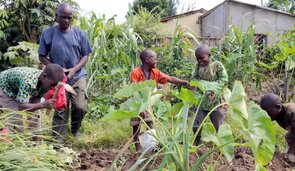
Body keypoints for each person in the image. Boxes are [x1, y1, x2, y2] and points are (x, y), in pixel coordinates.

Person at [38, 3, 92, 140]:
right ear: (56, 17)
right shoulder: (48, 33)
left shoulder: (79, 33)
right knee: (60, 107)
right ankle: (58, 138)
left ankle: (75, 130)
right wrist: (54, 68)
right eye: (63, 17)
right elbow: (42, 55)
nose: (66, 21)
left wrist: (74, 69)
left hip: (77, 74)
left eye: (69, 18)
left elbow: (85, 55)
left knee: (80, 106)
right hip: (58, 77)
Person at [130, 48, 190, 151]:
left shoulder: (155, 73)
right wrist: (141, 107)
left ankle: (152, 146)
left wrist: (184, 82)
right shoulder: (136, 73)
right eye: (155, 58)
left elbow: (170, 78)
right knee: (136, 125)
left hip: (148, 103)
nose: (157, 61)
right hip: (136, 102)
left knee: (150, 123)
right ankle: (138, 149)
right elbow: (133, 90)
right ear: (147, 60)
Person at [0, 64, 64, 134]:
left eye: (55, 85)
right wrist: (42, 105)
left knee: (35, 117)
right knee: (16, 120)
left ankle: (36, 144)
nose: (52, 88)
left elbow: (36, 101)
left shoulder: (45, 82)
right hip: (4, 87)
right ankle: (15, 140)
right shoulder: (28, 81)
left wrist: (38, 107)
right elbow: (21, 106)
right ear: (44, 77)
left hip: (17, 88)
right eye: (52, 85)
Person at [191, 44, 228, 145]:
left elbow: (224, 79)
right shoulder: (197, 66)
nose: (200, 61)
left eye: (202, 58)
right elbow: (193, 79)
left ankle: (224, 145)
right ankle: (196, 143)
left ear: (209, 55)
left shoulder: (217, 65)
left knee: (219, 125)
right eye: (198, 59)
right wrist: (200, 85)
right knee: (196, 125)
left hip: (215, 102)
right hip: (201, 102)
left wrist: (210, 86)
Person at [260, 93, 295, 162]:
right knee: (289, 136)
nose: (266, 114)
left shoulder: (292, 112)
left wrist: (290, 152)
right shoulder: (276, 114)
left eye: (268, 112)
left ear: (278, 107)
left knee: (291, 137)